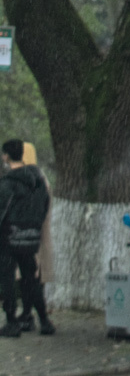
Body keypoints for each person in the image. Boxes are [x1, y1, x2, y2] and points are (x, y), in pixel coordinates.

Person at [0, 137, 54, 337]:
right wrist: (34, 227)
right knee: (31, 279)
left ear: (6, 156)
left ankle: (12, 323)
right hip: (31, 238)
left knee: (7, 280)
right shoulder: (39, 180)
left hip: (9, 239)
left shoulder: (7, 183)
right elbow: (44, 206)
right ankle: (45, 321)